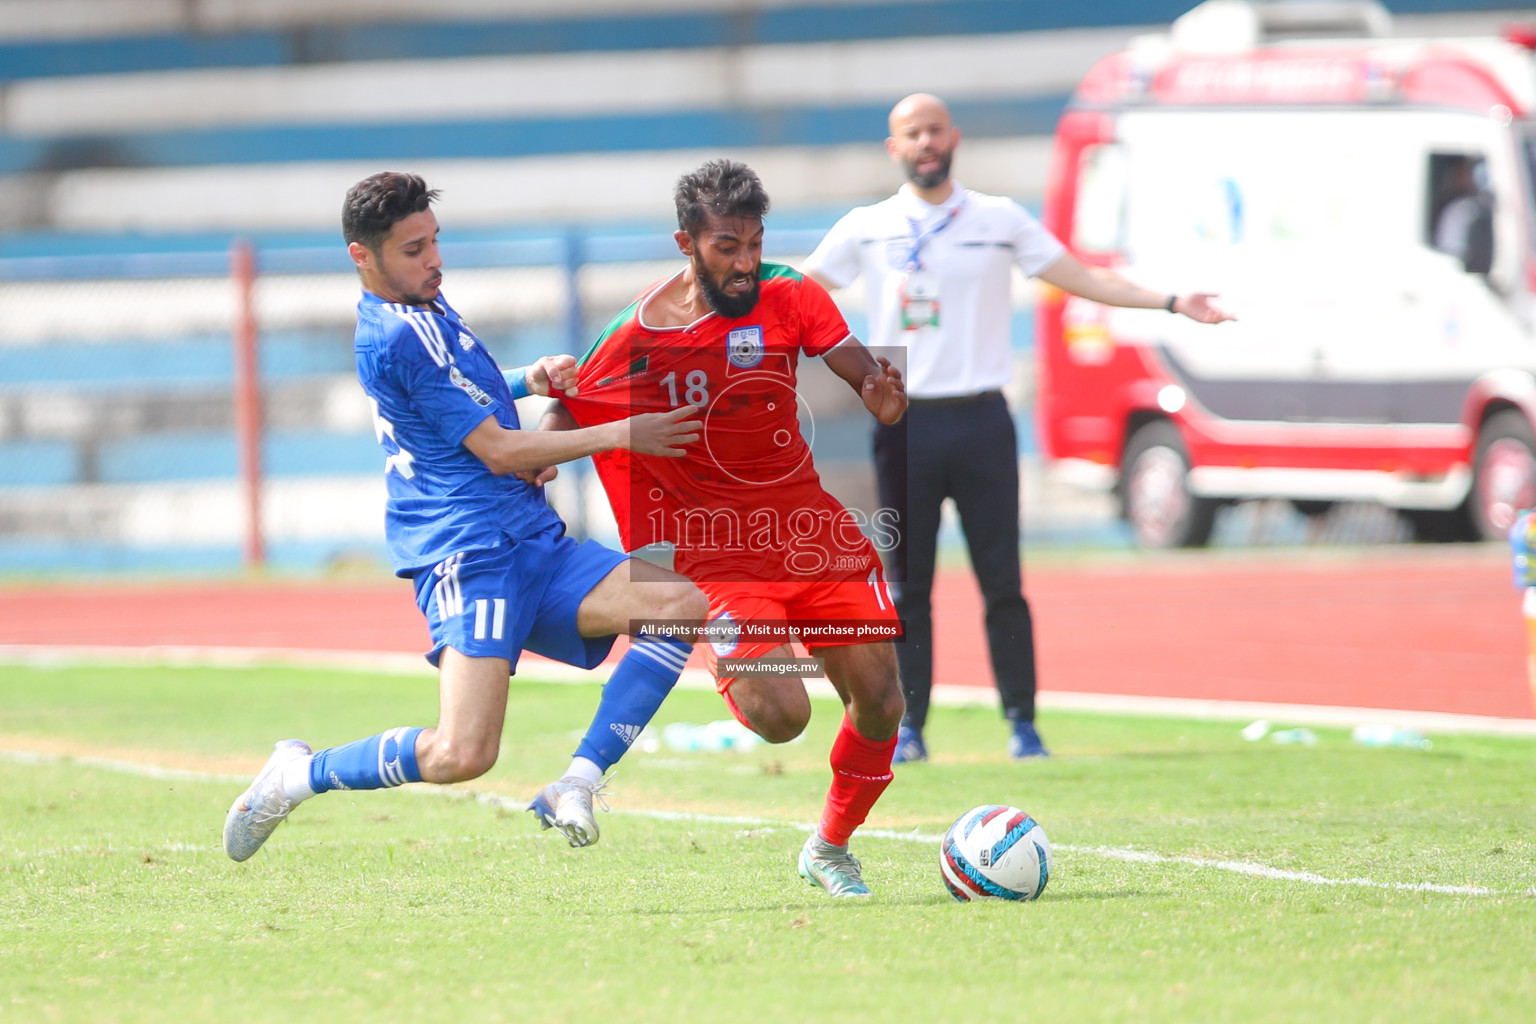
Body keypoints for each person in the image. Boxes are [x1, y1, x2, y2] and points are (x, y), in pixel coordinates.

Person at [222, 171, 709, 862]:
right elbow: (501, 448)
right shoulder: (390, 333)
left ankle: (577, 781)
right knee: (461, 753)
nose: (434, 260)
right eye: (414, 249)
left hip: (530, 538)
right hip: (469, 551)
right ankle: (298, 776)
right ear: (364, 257)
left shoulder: (426, 304)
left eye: (435, 242)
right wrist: (624, 432)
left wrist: (525, 381)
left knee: (681, 598)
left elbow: (455, 388)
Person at [804, 93, 1233, 763]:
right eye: (911, 133)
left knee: (1001, 580)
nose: (925, 142)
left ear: (955, 137)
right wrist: (722, 308)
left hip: (981, 418)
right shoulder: (868, 226)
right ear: (895, 147)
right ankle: (908, 725)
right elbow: (800, 292)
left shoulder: (997, 218)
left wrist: (1174, 302)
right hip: (903, 422)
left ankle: (1023, 724)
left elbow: (1080, 277)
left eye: (935, 129)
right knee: (908, 584)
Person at [535, 159, 909, 897]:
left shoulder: (790, 293)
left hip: (810, 534)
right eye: (727, 248)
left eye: (754, 244)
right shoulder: (636, 336)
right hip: (714, 557)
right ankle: (732, 652)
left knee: (882, 699)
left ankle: (830, 847)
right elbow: (570, 405)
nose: (745, 265)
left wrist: (880, 392)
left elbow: (857, 367)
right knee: (783, 716)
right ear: (687, 243)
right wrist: (542, 455)